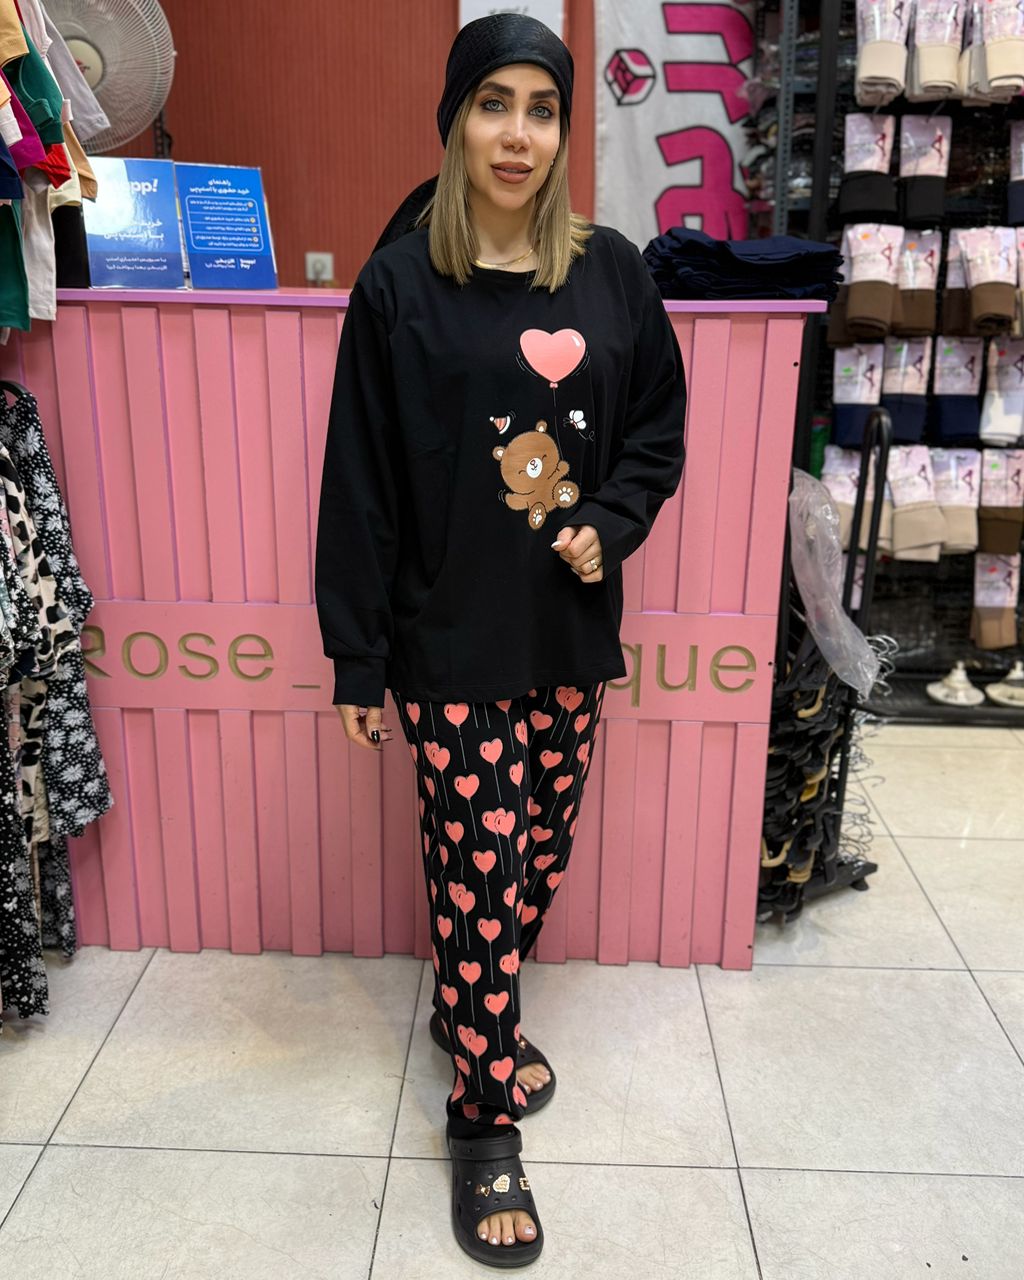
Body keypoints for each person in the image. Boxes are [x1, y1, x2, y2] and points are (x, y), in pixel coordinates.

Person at [314, 12, 687, 1268]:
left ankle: (469, 1009)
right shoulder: (398, 286)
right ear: (456, 120)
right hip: (448, 639)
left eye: (540, 108)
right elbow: (359, 480)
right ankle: (481, 1119)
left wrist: (610, 524)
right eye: (493, 104)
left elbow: (656, 427)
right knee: (477, 877)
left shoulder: (612, 274)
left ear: (564, 130)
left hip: (568, 633)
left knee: (533, 859)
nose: (516, 134)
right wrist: (358, 652)